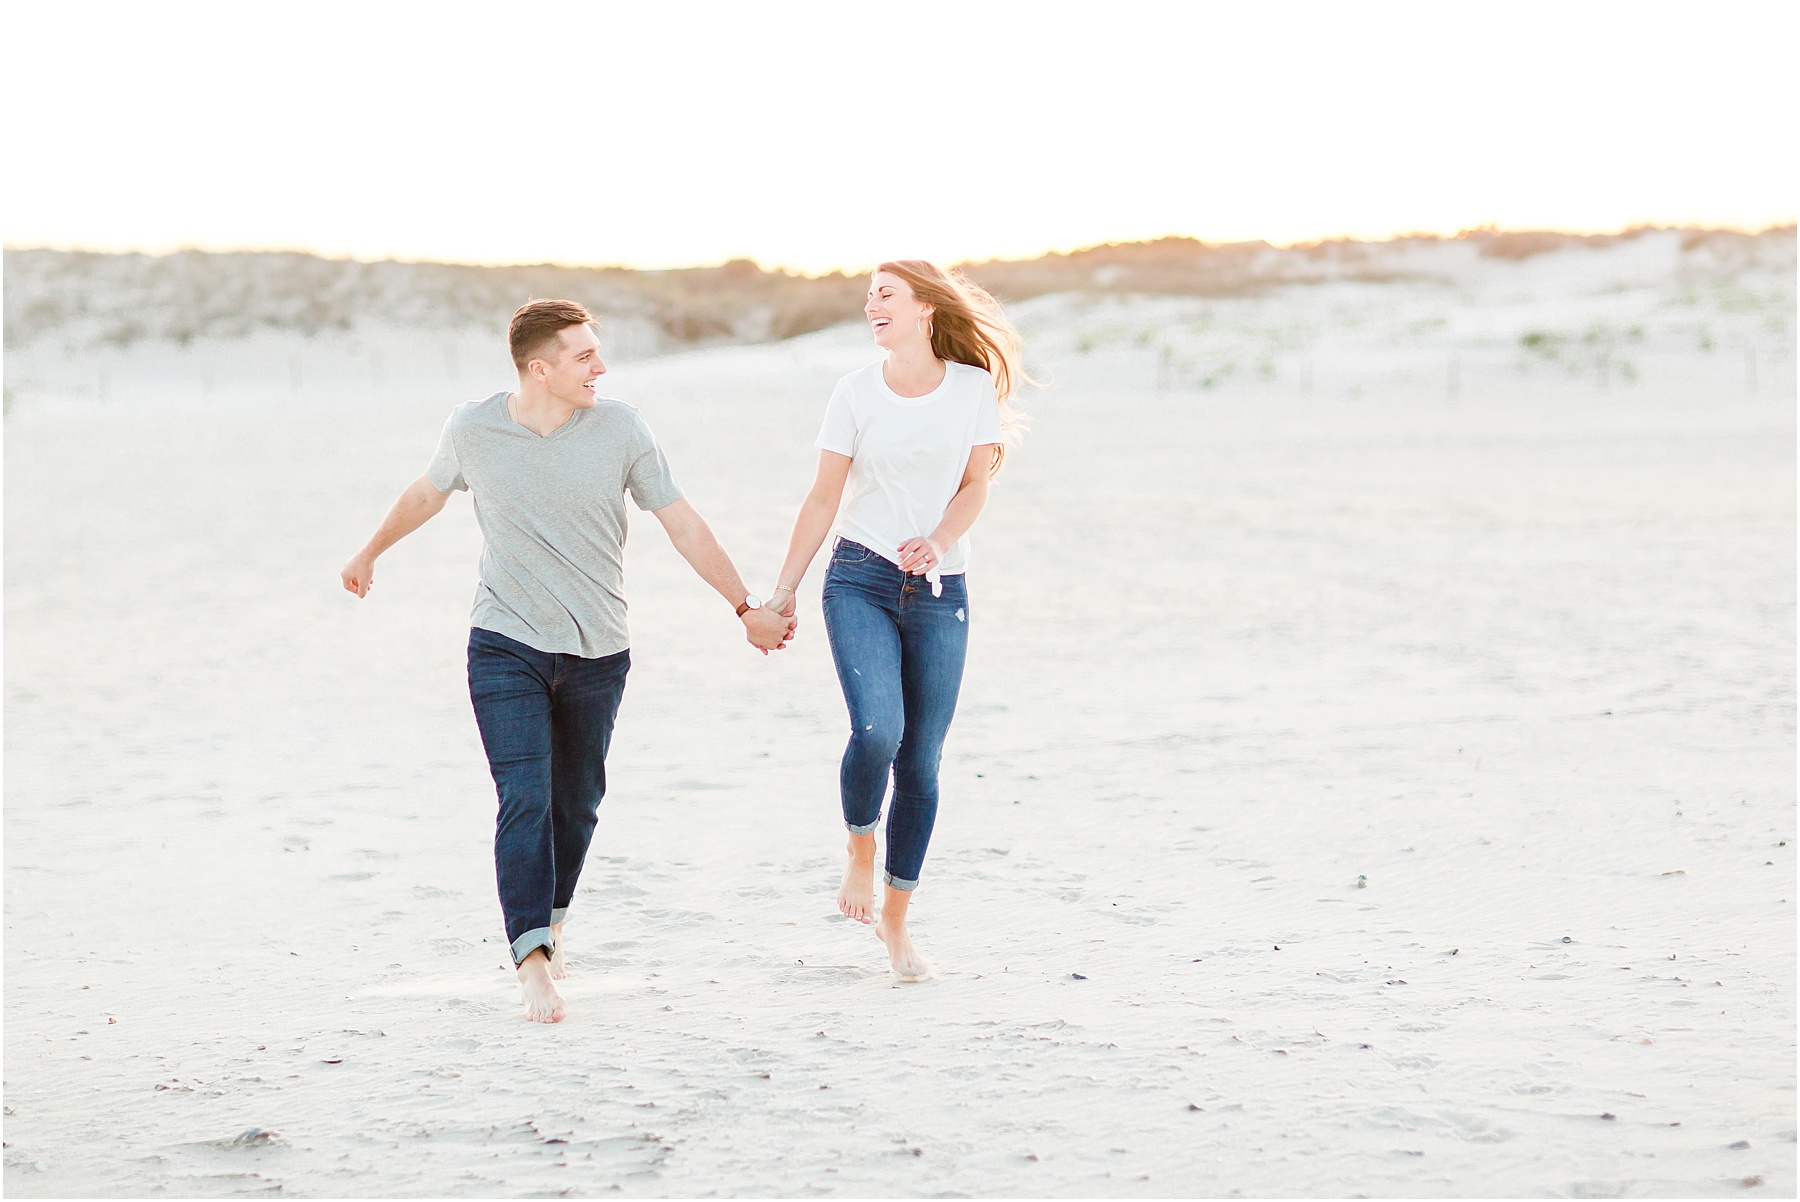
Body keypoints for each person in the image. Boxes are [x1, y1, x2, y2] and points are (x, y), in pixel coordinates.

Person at [340, 299, 795, 1023]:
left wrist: (745, 608)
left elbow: (681, 521)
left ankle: (548, 922)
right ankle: (532, 964)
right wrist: (369, 551)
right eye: (585, 356)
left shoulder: (621, 429)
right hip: (504, 643)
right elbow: (427, 493)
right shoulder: (473, 428)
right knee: (525, 796)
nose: (601, 367)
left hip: (597, 652)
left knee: (575, 805)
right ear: (539, 368)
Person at [768, 261, 1028, 982]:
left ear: (924, 309)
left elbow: (976, 486)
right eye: (869, 296)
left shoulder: (972, 389)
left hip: (942, 587)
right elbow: (823, 499)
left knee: (921, 763)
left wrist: (940, 541)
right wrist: (784, 589)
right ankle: (860, 847)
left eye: (886, 295)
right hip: (861, 577)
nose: (870, 305)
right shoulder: (854, 393)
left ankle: (897, 921)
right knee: (878, 729)